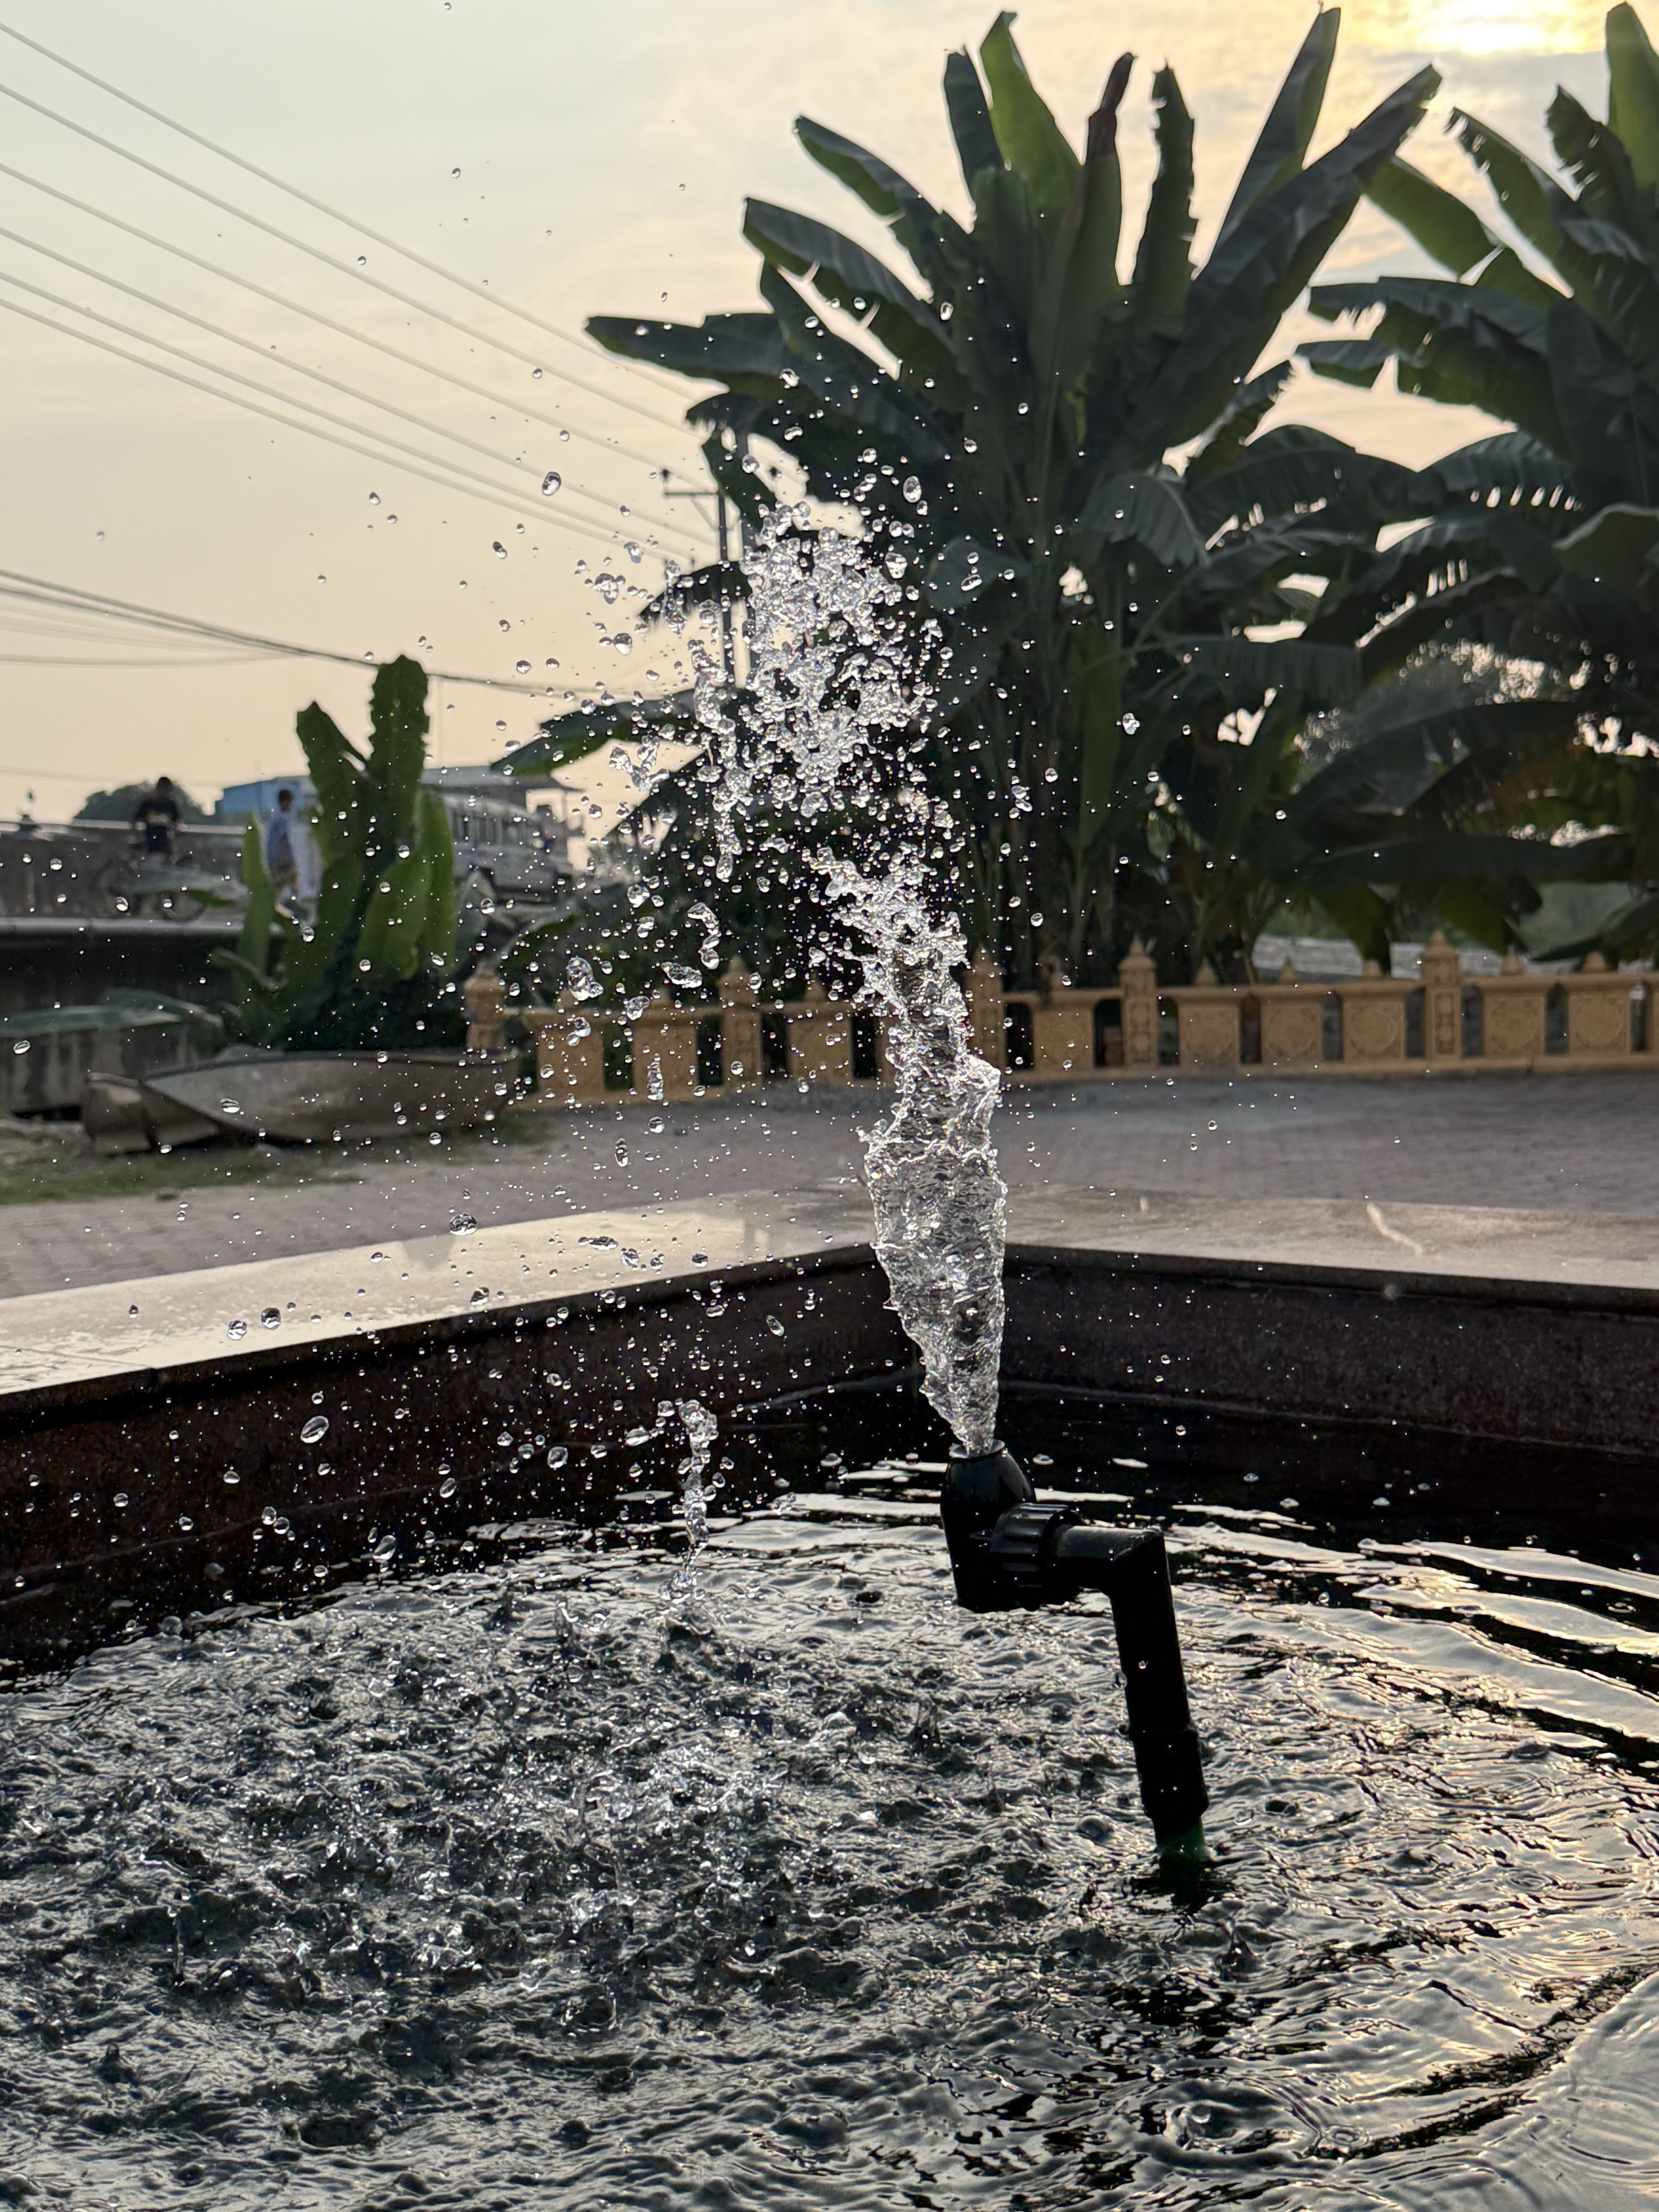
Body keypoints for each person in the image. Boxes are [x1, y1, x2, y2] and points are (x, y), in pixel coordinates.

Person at [131, 776, 180, 860]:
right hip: (149, 844)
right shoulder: (148, 804)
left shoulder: (171, 805)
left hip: (166, 846)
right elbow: (135, 821)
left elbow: (177, 824)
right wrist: (139, 837)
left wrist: (174, 841)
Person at [264, 786, 299, 902]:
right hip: (283, 860)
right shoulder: (284, 819)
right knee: (289, 884)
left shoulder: (275, 819)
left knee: (280, 887)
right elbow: (284, 839)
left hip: (276, 859)